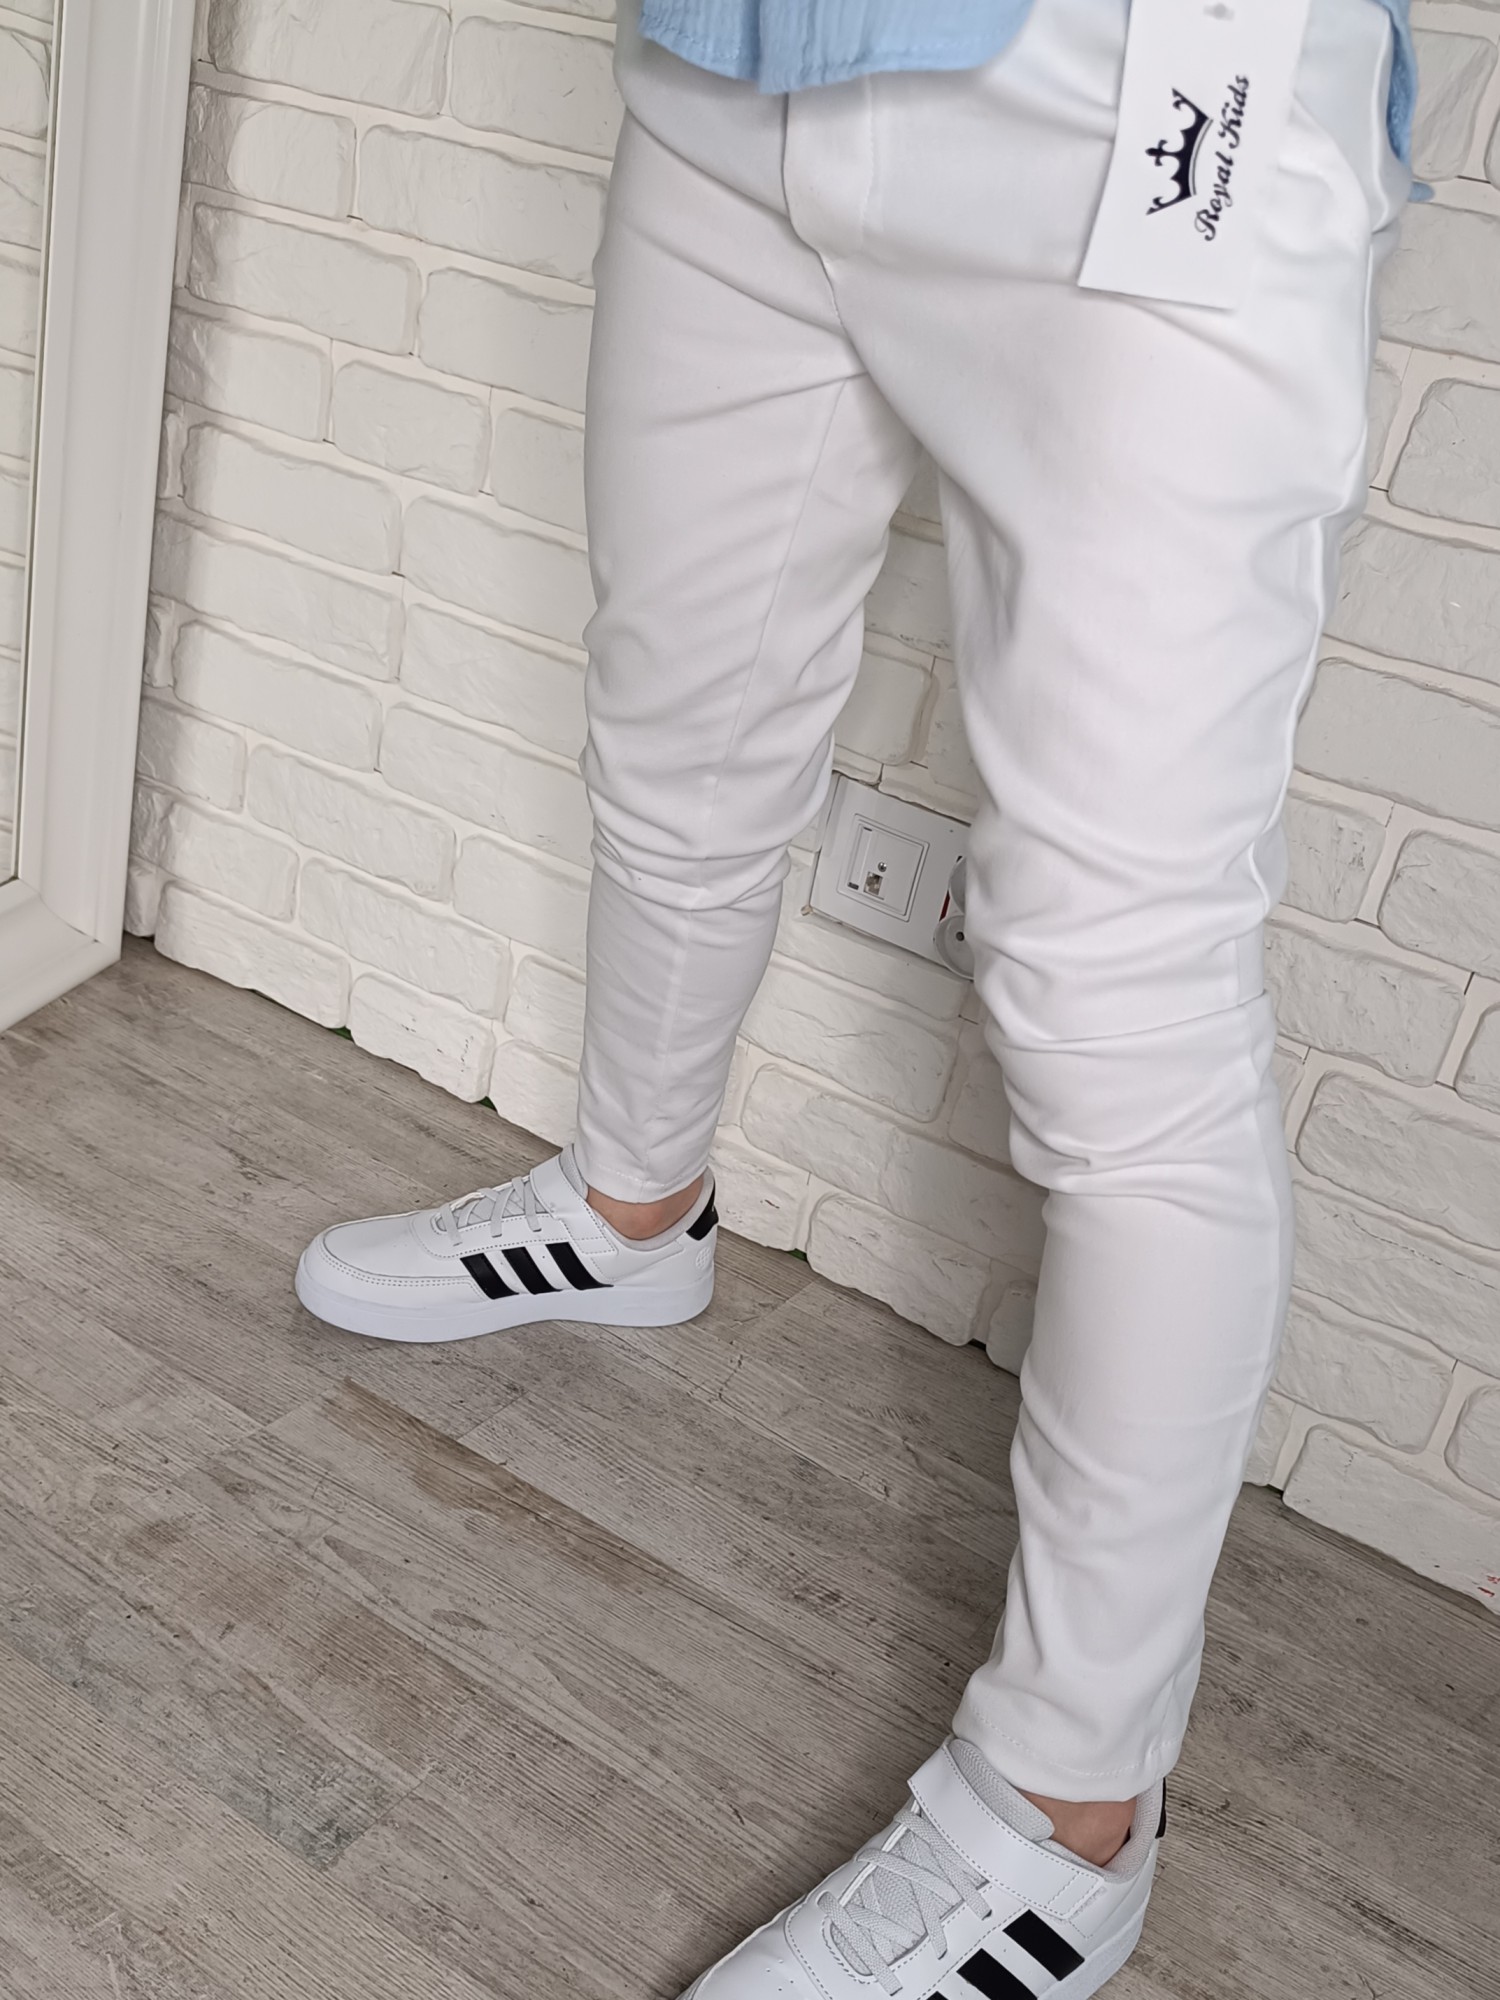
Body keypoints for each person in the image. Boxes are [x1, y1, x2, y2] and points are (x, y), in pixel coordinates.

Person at [295, 0, 1417, 1991]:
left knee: (1120, 987)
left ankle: (1068, 1811)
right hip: (731, 58)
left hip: (1145, 94)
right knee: (679, 734)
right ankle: (633, 1212)